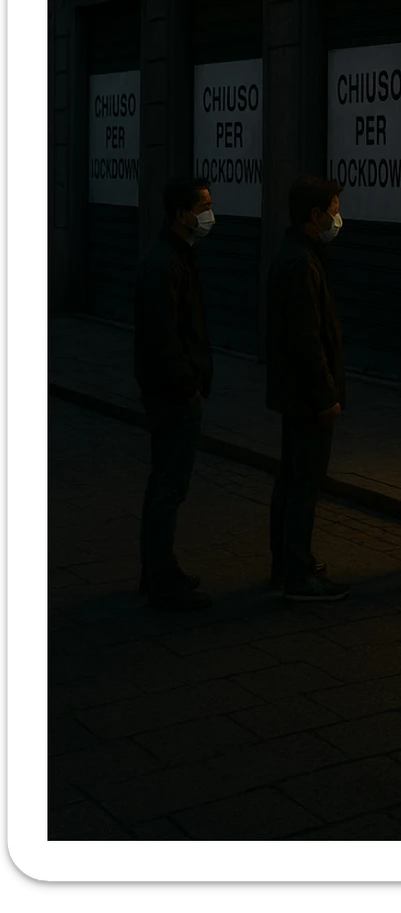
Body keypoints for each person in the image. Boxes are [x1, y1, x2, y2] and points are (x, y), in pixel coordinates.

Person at [266, 174, 350, 600]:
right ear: (315, 215)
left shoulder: (296, 254)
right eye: (334, 209)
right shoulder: (301, 262)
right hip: (306, 394)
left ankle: (286, 561)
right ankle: (298, 572)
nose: (339, 216)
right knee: (303, 484)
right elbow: (307, 336)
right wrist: (326, 395)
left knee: (291, 478)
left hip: (291, 391)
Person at [134, 175, 215, 611]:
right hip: (172, 394)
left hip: (169, 389)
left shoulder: (176, 256)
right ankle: (162, 579)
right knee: (169, 485)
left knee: (162, 481)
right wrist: (188, 386)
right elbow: (162, 336)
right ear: (182, 213)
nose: (209, 213)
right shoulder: (166, 263)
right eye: (202, 205)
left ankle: (157, 570)